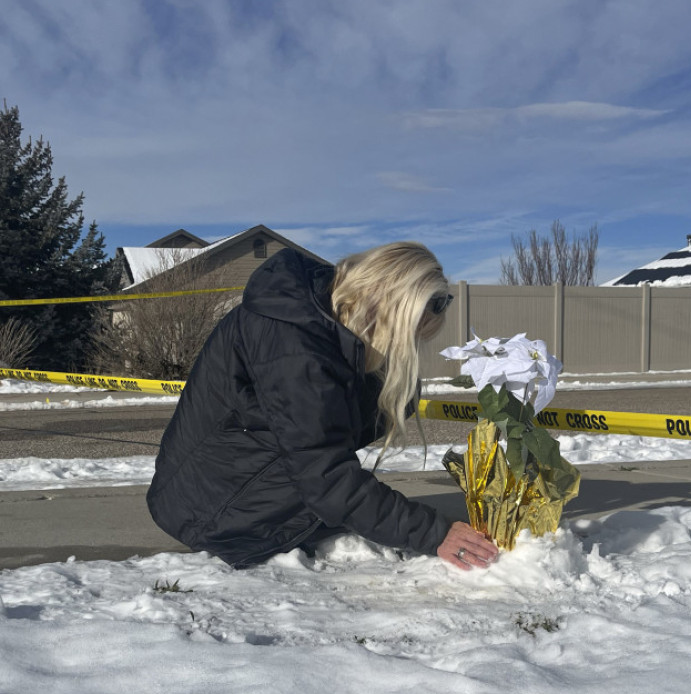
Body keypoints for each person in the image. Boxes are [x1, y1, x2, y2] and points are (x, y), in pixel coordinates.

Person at [147, 242, 498, 571]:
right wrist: (434, 533)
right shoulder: (294, 346)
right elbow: (324, 472)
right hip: (212, 514)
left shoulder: (318, 321)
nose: (401, 349)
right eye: (403, 335)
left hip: (221, 490)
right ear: (383, 309)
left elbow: (321, 445)